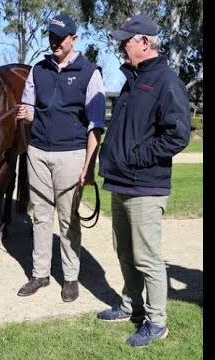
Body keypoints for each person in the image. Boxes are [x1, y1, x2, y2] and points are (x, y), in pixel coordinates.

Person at [96, 14, 191, 348]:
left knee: (147, 257)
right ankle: (131, 306)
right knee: (123, 251)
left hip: (146, 186)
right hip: (121, 182)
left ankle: (157, 321)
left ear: (145, 43)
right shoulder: (132, 79)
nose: (121, 46)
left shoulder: (165, 80)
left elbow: (178, 135)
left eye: (127, 41)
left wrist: (137, 156)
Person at [15, 15, 106, 302]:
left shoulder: (90, 72)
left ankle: (70, 277)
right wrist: (26, 114)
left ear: (74, 39)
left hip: (72, 154)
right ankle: (40, 274)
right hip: (38, 152)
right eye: (51, 37)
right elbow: (30, 106)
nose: (55, 42)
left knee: (68, 219)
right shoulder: (38, 70)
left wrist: (89, 166)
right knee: (40, 216)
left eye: (60, 37)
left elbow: (96, 125)